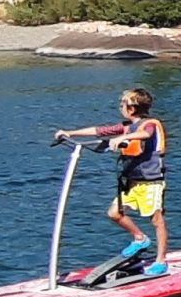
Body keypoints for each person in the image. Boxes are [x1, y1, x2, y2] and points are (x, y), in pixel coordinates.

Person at [54, 87, 169, 276]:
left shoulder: (150, 124)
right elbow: (99, 131)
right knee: (114, 213)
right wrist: (69, 132)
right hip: (131, 182)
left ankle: (161, 261)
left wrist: (124, 137)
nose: (120, 107)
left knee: (156, 220)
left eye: (123, 104)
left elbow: (146, 135)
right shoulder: (126, 126)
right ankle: (139, 238)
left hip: (151, 182)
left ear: (132, 108)